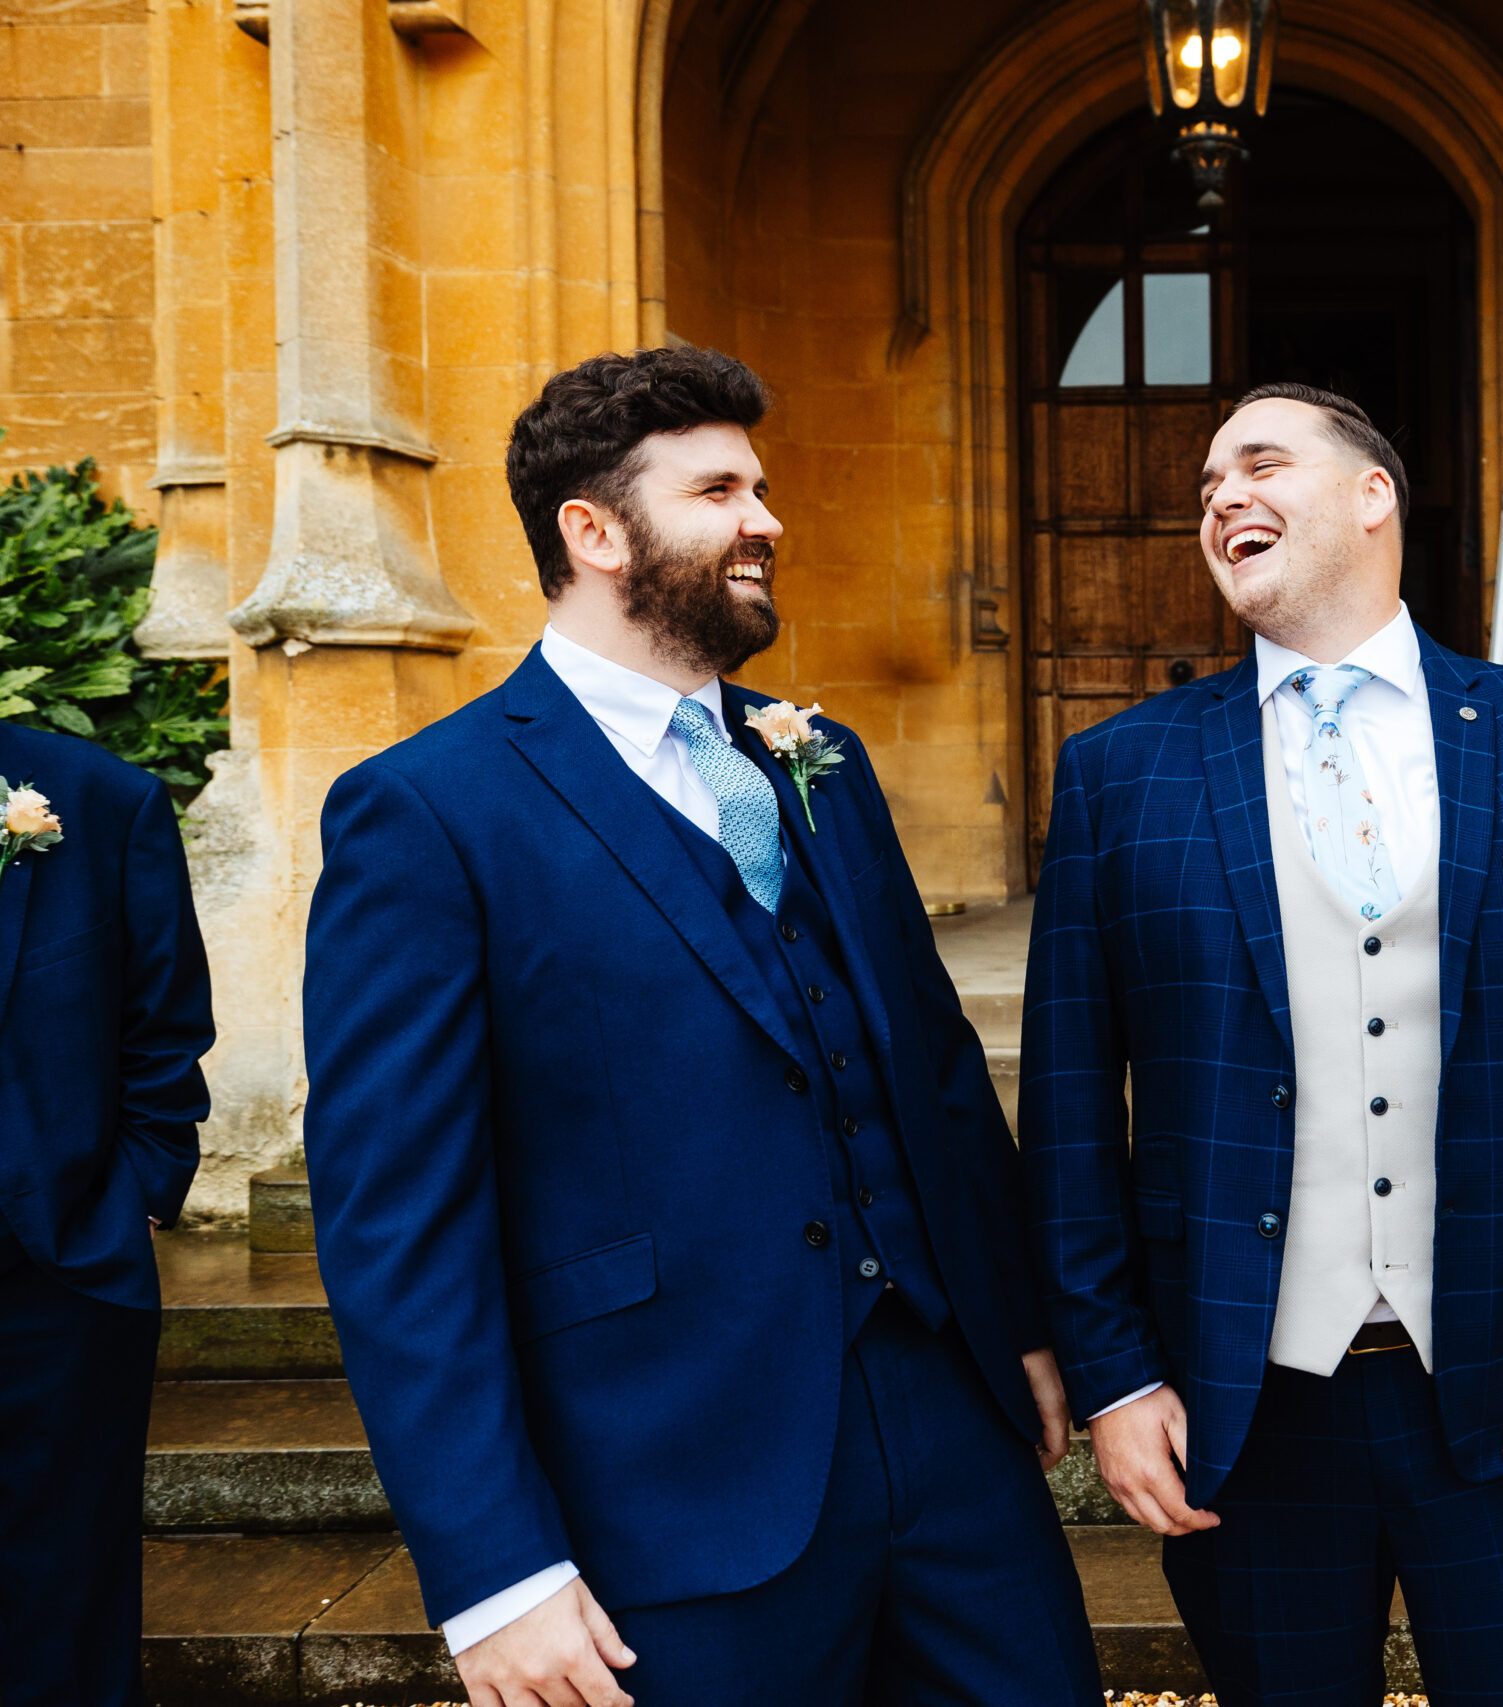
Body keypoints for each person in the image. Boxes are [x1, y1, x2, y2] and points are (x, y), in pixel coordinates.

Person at [301, 345, 1100, 1707]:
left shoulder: (818, 761)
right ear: (595, 530)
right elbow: (397, 1222)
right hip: (669, 1476)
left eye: (765, 484)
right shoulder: (429, 812)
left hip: (949, 1436)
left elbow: (932, 1067)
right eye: (720, 487)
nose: (768, 518)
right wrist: (498, 1567)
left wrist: (1016, 1322)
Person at [1021, 382, 1503, 1707]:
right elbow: (1074, 1107)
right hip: (1243, 1402)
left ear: (1373, 494)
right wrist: (1115, 1373)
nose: (1221, 498)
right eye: (1207, 485)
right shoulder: (1120, 770)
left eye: (1260, 464)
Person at [0, 723, 214, 1707]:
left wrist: (134, 1201)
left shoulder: (98, 801)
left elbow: (164, 1024)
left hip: (54, 1280)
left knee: (64, 1610)